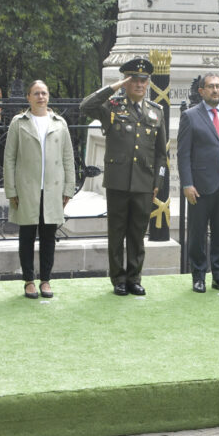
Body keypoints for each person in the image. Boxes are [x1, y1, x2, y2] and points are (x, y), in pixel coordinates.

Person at [80, 58, 167, 296]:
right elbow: (85, 106)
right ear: (126, 82)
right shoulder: (112, 108)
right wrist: (113, 87)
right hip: (118, 182)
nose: (139, 84)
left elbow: (161, 155)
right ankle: (118, 278)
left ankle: (134, 278)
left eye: (143, 80)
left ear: (148, 83)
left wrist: (157, 183)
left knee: (138, 234)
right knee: (117, 233)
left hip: (144, 183)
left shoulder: (156, 112)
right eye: (134, 80)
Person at [4, 80, 76, 299]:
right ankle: (28, 280)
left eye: (44, 93)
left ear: (48, 96)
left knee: (48, 238)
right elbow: (9, 158)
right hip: (27, 189)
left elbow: (68, 158)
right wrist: (11, 190)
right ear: (28, 97)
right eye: (36, 93)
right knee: (26, 236)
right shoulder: (19, 123)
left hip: (53, 189)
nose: (41, 97)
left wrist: (68, 188)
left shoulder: (60, 123)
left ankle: (46, 279)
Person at [178, 73, 219, 293]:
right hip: (200, 186)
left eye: (218, 86)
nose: (215, 90)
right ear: (202, 91)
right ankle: (198, 276)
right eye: (210, 87)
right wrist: (187, 184)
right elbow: (183, 154)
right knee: (197, 235)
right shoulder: (190, 116)